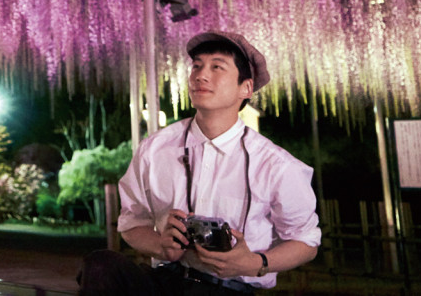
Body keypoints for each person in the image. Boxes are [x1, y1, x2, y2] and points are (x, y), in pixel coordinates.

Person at [79, 31, 321, 294]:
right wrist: (161, 246)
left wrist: (255, 263)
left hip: (228, 289)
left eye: (217, 67)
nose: (201, 76)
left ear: (246, 88)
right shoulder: (155, 149)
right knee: (100, 265)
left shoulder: (275, 165)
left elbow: (306, 241)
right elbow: (131, 223)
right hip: (165, 280)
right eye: (196, 66)